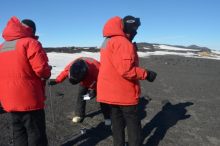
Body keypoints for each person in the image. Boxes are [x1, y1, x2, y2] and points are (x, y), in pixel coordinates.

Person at [97, 15, 157, 146]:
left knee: (117, 123)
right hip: (124, 92)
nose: (136, 30)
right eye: (134, 27)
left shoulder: (107, 41)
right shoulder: (122, 42)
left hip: (110, 92)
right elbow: (126, 70)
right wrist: (146, 74)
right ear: (126, 26)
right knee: (133, 124)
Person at [0, 16, 51, 146]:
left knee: (19, 132)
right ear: (32, 30)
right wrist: (47, 71)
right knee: (36, 133)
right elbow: (41, 71)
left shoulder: (2, 46)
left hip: (8, 98)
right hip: (29, 98)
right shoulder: (30, 43)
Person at [48, 57, 111, 125]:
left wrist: (95, 91)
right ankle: (79, 115)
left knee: (102, 98)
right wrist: (57, 81)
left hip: (96, 81)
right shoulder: (72, 66)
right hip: (83, 81)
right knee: (82, 96)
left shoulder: (97, 69)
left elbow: (103, 83)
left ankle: (108, 117)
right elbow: (65, 73)